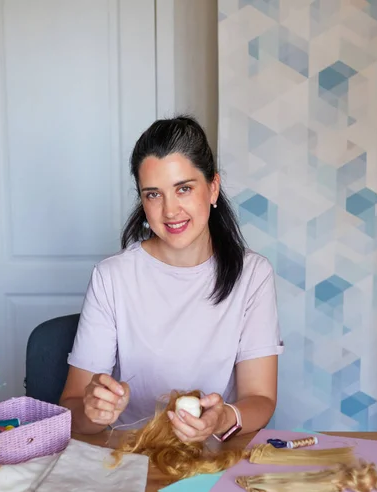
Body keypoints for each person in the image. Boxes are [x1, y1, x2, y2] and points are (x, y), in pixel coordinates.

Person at [60, 115, 284, 443]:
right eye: (153, 194)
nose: (169, 210)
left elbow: (261, 399)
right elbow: (72, 409)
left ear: (213, 188)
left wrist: (222, 418)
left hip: (213, 458)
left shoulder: (253, 275)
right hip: (130, 456)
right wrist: (92, 411)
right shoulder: (112, 277)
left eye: (184, 189)